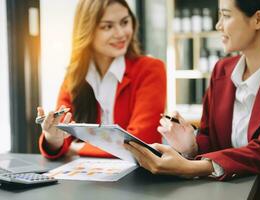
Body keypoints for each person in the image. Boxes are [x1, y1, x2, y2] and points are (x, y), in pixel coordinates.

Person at [125, 0, 260, 199]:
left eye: (226, 16)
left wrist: (192, 167)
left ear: (258, 19)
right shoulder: (222, 71)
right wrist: (192, 147)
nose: (218, 25)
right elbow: (212, 138)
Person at [37, 0, 166, 159]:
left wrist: (79, 148)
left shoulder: (150, 69)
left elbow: (141, 142)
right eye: (107, 26)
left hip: (139, 178)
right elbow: (63, 136)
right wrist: (53, 139)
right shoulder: (75, 75)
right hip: (88, 178)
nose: (120, 33)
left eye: (124, 22)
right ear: (87, 30)